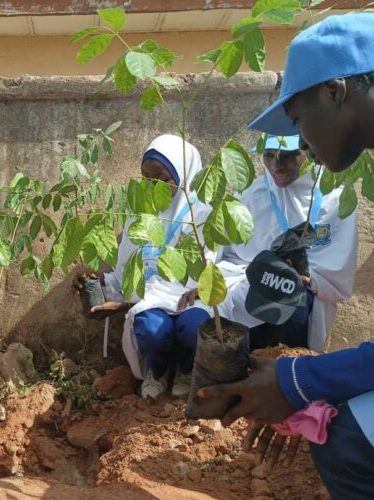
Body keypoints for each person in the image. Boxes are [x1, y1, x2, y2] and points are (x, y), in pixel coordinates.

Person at [199, 14, 374, 499]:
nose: (298, 148)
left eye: (296, 122)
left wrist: (299, 380)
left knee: (350, 443)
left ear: (336, 91)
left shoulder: (335, 200)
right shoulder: (253, 196)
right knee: (342, 437)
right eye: (273, 150)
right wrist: (304, 385)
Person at [185, 135, 357, 352]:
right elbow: (229, 252)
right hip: (254, 281)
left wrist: (307, 278)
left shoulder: (334, 198)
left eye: (287, 156)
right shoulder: (251, 194)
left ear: (307, 152)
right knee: (249, 344)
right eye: (269, 156)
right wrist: (208, 281)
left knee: (292, 314)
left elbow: (337, 264)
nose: (277, 166)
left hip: (303, 293)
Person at [74, 134, 212, 399]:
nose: (152, 186)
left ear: (184, 175)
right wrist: (101, 283)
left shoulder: (202, 216)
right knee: (151, 327)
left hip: (191, 300)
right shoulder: (139, 218)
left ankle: (186, 369)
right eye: (146, 178)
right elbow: (126, 271)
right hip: (153, 301)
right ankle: (157, 370)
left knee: (193, 325)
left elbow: (217, 266)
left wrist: (202, 288)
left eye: (161, 178)